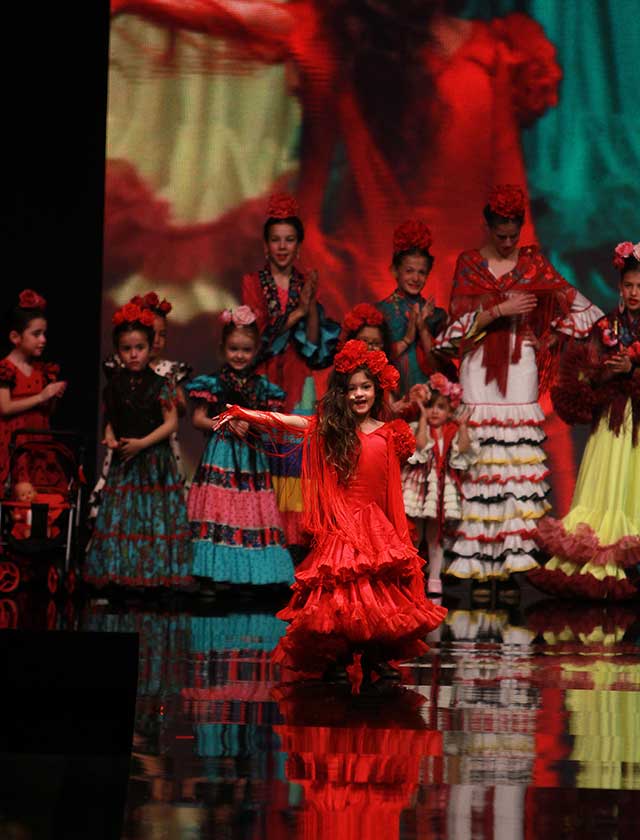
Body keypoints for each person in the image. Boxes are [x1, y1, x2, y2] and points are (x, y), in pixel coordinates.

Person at [213, 339, 447, 691]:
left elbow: (391, 493)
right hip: (343, 524)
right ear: (342, 393)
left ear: (376, 390)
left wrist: (397, 535)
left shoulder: (389, 434)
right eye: (352, 389)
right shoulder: (333, 429)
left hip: (376, 526)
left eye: (365, 387)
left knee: (378, 594)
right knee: (340, 596)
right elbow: (289, 422)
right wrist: (244, 414)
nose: (358, 394)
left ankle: (375, 654)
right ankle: (337, 656)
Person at [435, 184, 602, 604]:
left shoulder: (533, 265)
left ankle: (511, 569)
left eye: (514, 233)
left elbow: (584, 311)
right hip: (478, 371)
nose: (508, 241)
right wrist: (498, 310)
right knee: (480, 469)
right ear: (489, 226)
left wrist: (548, 339)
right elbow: (452, 334)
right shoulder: (470, 264)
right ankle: (479, 567)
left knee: (514, 473)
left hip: (519, 370)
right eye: (501, 233)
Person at [529, 241, 640, 600]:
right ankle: (610, 556)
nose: (634, 293)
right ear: (619, 286)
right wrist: (610, 372)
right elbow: (588, 376)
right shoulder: (606, 325)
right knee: (608, 485)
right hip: (612, 420)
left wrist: (633, 368)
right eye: (629, 285)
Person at [241, 192, 340, 546]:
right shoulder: (253, 283)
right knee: (265, 453)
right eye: (276, 239)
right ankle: (262, 535)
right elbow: (258, 337)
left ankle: (293, 538)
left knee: (296, 457)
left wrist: (309, 308)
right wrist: (297, 312)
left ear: (298, 246)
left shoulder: (304, 283)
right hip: (265, 375)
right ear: (265, 245)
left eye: (289, 239)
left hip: (299, 377)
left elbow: (313, 342)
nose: (282, 247)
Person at [185, 305, 294, 590]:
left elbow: (272, 423)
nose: (239, 355)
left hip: (250, 457)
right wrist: (227, 423)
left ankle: (251, 576)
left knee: (249, 510)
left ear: (255, 350)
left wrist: (252, 423)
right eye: (234, 349)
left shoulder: (262, 387)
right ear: (223, 348)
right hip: (221, 454)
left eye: (246, 350)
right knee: (220, 510)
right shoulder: (214, 382)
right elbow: (198, 418)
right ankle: (215, 574)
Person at [85, 301, 192, 590]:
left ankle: (152, 576)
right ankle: (123, 574)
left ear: (149, 347)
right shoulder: (115, 385)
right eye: (126, 349)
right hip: (125, 461)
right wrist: (110, 436)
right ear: (118, 351)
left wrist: (142, 444)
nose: (133, 354)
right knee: (124, 518)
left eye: (140, 348)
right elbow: (112, 419)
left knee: (152, 517)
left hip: (153, 459)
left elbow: (171, 423)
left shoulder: (161, 383)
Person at [401, 374, 477, 597]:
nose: (434, 411)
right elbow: (420, 445)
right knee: (414, 535)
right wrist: (423, 419)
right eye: (430, 406)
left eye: (441, 407)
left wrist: (463, 425)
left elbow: (464, 449)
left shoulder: (451, 431)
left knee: (435, 537)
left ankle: (434, 578)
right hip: (420, 487)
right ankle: (411, 579)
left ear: (450, 410)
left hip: (441, 488)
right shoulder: (418, 426)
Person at [377, 220, 453, 393]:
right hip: (391, 393)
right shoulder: (380, 312)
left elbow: (439, 367)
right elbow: (375, 361)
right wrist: (408, 338)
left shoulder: (436, 315)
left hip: (426, 394)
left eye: (421, 272)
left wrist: (422, 327)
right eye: (409, 271)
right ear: (395, 270)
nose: (416, 278)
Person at [0, 289, 67, 487]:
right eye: (36, 334)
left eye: (44, 334)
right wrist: (41, 396)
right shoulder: (5, 369)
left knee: (42, 492)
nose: (43, 340)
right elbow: (5, 407)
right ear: (15, 337)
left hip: (38, 441)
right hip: (12, 443)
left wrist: (53, 397)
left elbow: (47, 412)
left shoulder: (42, 370)